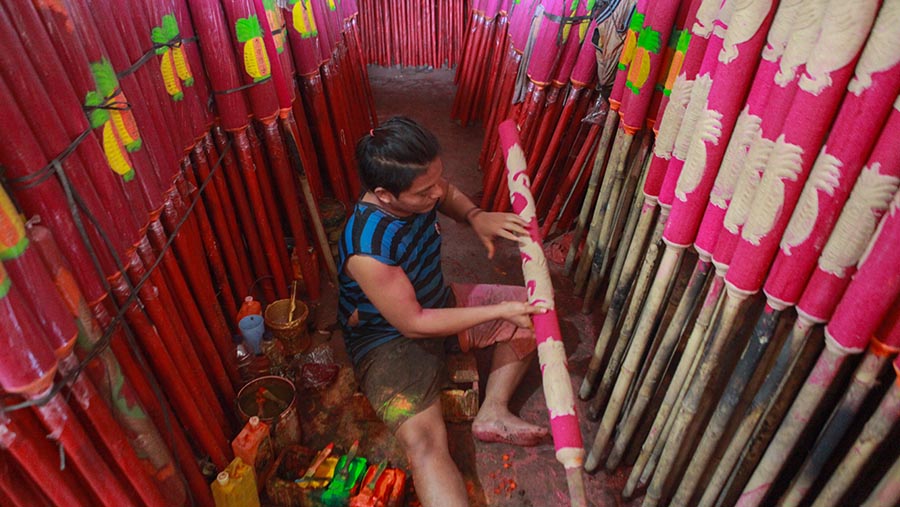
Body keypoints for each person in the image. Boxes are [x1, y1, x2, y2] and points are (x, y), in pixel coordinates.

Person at [337, 116, 549, 506]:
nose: (437, 193)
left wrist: (474, 216)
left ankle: (493, 411)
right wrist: (497, 311)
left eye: (438, 179)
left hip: (435, 302)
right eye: (424, 190)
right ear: (384, 194)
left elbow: (446, 192)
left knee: (535, 310)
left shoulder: (418, 189)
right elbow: (414, 324)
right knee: (426, 446)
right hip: (389, 340)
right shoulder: (367, 247)